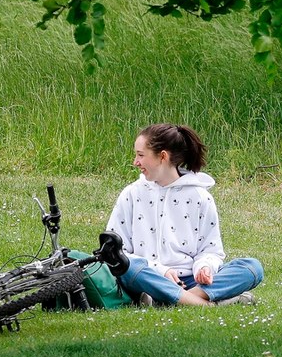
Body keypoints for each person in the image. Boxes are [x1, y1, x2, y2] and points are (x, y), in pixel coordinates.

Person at [106, 123, 263, 306]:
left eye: (141, 155)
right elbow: (114, 252)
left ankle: (178, 298)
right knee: (128, 268)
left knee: (252, 268)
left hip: (189, 281)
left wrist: (204, 267)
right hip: (147, 276)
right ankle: (204, 304)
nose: (135, 162)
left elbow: (211, 250)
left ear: (162, 156)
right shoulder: (132, 194)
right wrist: (161, 271)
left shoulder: (200, 197)